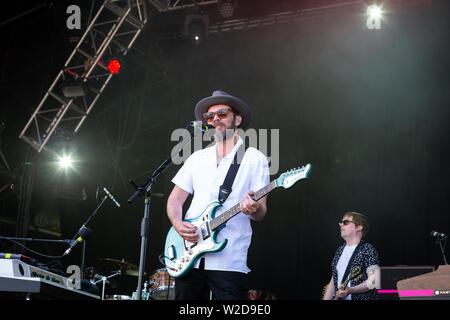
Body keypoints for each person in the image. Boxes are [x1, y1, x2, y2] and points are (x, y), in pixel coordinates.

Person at [166, 90, 270, 300]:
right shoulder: (197, 157)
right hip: (188, 257)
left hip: (228, 257)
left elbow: (260, 212)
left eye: (221, 114)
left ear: (237, 119)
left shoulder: (253, 158)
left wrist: (254, 207)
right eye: (210, 116)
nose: (215, 119)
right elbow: (175, 199)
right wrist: (177, 223)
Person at [322, 211, 380, 300]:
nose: (341, 225)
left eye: (345, 222)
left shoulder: (367, 249)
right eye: (341, 223)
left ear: (359, 227)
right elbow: (334, 280)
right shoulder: (340, 250)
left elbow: (373, 281)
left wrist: (351, 290)